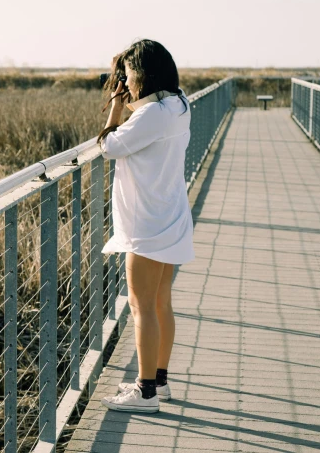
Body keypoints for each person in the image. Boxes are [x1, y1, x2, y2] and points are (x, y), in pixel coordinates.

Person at [96, 39, 194, 413]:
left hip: (147, 222)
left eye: (129, 76)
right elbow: (149, 121)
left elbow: (110, 147)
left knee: (141, 307)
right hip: (169, 214)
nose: (126, 82)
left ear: (141, 74)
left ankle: (145, 393)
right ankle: (159, 381)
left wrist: (117, 107)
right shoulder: (178, 104)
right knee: (160, 302)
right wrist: (132, 101)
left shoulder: (150, 115)